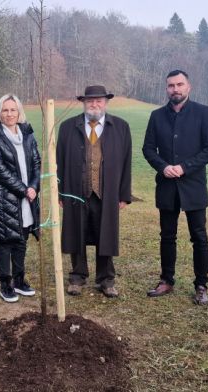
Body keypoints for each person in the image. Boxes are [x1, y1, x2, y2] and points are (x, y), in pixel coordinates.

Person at [141, 69, 208, 305]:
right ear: (166, 89)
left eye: (179, 84)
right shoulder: (157, 116)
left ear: (189, 87)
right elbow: (148, 149)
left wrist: (185, 167)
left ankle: (201, 285)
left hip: (193, 186)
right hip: (166, 186)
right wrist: (163, 167)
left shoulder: (203, 113)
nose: (175, 89)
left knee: (199, 237)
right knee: (167, 236)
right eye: (171, 86)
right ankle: (166, 280)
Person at [57, 85, 132, 298]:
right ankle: (77, 277)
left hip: (106, 193)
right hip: (75, 191)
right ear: (83, 103)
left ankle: (106, 279)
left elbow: (126, 163)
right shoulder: (67, 127)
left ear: (106, 102)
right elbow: (59, 162)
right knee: (75, 232)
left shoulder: (121, 127)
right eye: (90, 101)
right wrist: (61, 192)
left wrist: (124, 194)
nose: (94, 104)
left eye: (99, 100)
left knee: (106, 234)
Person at [0, 94, 41, 303]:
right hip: (5, 198)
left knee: (22, 239)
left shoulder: (27, 134)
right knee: (6, 241)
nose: (9, 114)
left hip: (27, 196)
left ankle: (20, 280)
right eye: (5, 110)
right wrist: (23, 189)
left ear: (19, 111)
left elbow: (36, 162)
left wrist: (33, 186)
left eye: (13, 110)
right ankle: (6, 284)